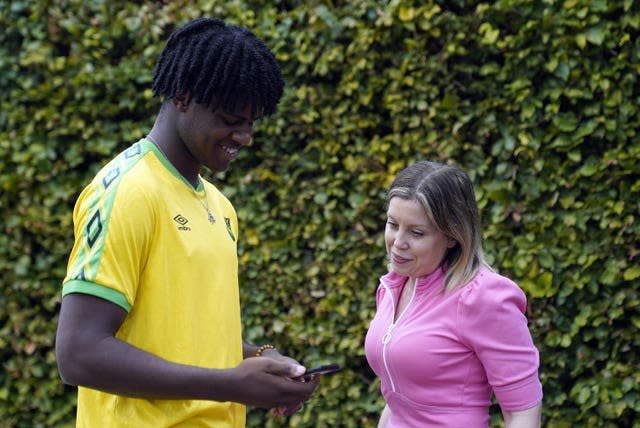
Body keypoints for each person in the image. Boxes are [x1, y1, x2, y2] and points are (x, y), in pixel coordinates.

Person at [55, 17, 319, 427]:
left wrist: (261, 358)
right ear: (182, 96)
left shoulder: (219, 205)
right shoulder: (128, 191)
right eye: (231, 119)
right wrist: (230, 385)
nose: (244, 136)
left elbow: (188, 339)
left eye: (251, 123)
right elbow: (78, 354)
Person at [364, 161, 543, 427]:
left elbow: (523, 414)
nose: (397, 243)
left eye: (416, 232)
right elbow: (398, 399)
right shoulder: (393, 285)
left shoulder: (484, 297)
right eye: (392, 224)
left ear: (452, 235)